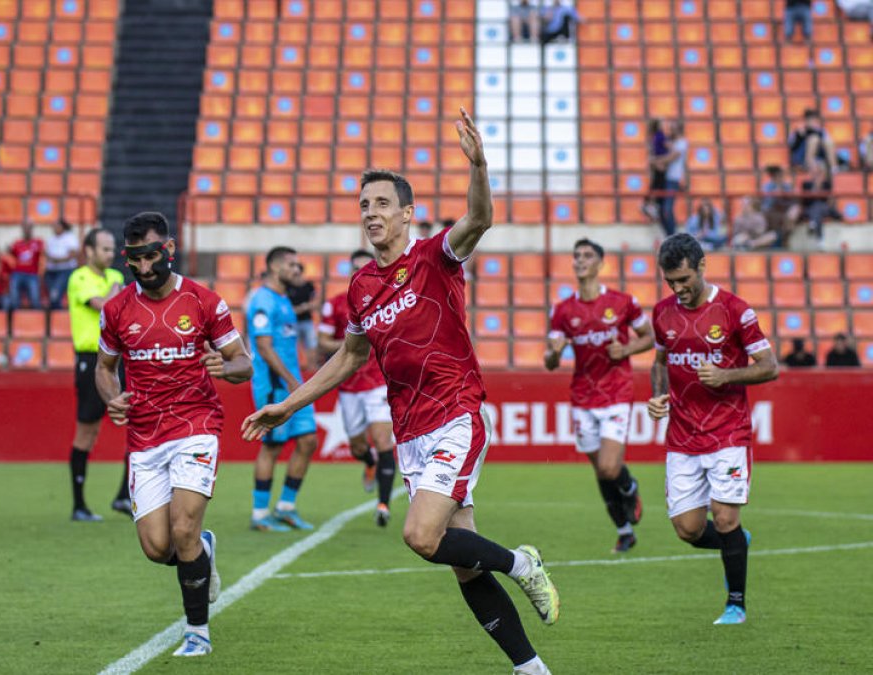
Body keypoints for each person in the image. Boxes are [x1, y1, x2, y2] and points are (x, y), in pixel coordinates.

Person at [243, 108, 558, 675]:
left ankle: (522, 562)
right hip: (410, 429)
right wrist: (288, 404)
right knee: (462, 560)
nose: (371, 214)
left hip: (455, 413)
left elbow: (479, 218)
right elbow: (351, 356)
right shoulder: (361, 287)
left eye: (382, 204)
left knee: (420, 535)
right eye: (364, 206)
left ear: (407, 214)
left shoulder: (435, 258)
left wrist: (478, 165)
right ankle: (530, 668)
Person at [96, 210, 252, 658]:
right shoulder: (117, 309)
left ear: (168, 249)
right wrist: (112, 397)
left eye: (150, 256)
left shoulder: (203, 301)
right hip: (144, 436)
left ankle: (197, 633)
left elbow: (243, 362)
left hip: (195, 424)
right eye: (134, 260)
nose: (143, 268)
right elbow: (104, 369)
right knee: (157, 547)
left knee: (182, 529)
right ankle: (202, 550)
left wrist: (228, 368)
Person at [647, 233, 778, 626]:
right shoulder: (662, 313)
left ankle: (735, 603)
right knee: (687, 530)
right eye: (671, 281)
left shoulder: (735, 310)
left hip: (727, 432)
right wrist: (658, 396)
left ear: (702, 266)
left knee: (724, 518)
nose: (679, 288)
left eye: (684, 279)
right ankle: (736, 542)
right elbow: (659, 361)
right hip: (682, 436)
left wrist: (726, 375)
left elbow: (769, 366)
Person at [544, 239, 654, 553]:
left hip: (617, 392)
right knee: (600, 471)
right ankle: (624, 530)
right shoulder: (563, 310)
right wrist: (553, 354)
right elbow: (550, 361)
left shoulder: (623, 303)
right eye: (576, 255)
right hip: (582, 397)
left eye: (587, 255)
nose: (580, 260)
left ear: (600, 263)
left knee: (608, 467)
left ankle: (630, 488)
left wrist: (628, 348)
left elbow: (649, 337)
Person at [317, 249, 398, 526]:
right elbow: (323, 341)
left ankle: (383, 504)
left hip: (377, 383)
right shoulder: (337, 304)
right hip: (349, 384)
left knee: (383, 440)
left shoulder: (389, 302)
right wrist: (353, 345)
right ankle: (369, 462)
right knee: (357, 446)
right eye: (357, 268)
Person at [246, 246, 320, 532]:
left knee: (308, 441)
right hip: (276, 385)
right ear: (275, 268)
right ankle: (259, 513)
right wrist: (290, 380)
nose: (296, 270)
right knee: (273, 446)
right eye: (291, 265)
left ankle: (286, 507)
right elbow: (263, 348)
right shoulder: (262, 301)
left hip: (294, 384)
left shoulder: (284, 299)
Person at [66, 228, 127, 520]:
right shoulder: (79, 277)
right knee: (87, 430)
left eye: (112, 248)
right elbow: (103, 307)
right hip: (90, 359)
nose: (111, 254)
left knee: (140, 421)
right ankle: (79, 505)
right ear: (89, 251)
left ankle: (124, 497)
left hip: (119, 358)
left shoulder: (115, 277)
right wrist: (115, 293)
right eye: (105, 249)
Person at [658, 120, 687, 236]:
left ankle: (672, 234)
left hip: (674, 178)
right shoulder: (674, 142)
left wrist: (656, 161)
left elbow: (672, 157)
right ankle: (670, 233)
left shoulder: (682, 143)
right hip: (668, 177)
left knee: (667, 208)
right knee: (663, 208)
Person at [286, 261, 320, 360]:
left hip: (307, 321)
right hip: (291, 322)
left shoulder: (308, 285)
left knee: (312, 347)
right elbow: (287, 309)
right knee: (291, 349)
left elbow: (316, 303)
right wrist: (303, 307)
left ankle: (311, 369)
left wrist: (305, 307)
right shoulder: (287, 287)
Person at [788, 109, 837, 176]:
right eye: (809, 119)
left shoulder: (821, 131)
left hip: (819, 156)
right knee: (814, 139)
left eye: (813, 119)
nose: (811, 121)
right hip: (802, 157)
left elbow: (826, 143)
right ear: (805, 120)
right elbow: (792, 146)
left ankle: (833, 167)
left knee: (828, 142)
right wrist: (799, 136)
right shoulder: (798, 131)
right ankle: (808, 164)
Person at [44, 219, 79, 309]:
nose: (54, 228)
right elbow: (47, 254)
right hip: (51, 271)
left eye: (56, 226)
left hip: (65, 270)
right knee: (52, 295)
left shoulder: (69, 237)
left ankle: (58, 315)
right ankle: (55, 315)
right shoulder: (51, 239)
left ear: (62, 227)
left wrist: (57, 260)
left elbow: (73, 254)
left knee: (56, 294)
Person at [8, 223, 44, 310]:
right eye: (25, 228)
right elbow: (12, 254)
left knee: (35, 298)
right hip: (18, 273)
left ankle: (37, 318)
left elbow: (43, 254)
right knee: (14, 297)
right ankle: (15, 317)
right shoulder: (17, 243)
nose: (27, 231)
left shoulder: (38, 243)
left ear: (32, 229)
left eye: (29, 228)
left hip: (32, 274)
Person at [760, 165, 801, 238]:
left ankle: (787, 232)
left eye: (781, 175)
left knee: (795, 208)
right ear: (774, 177)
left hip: (785, 213)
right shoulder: (767, 187)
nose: (780, 177)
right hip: (771, 212)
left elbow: (793, 201)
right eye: (778, 175)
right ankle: (783, 235)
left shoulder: (786, 186)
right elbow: (766, 205)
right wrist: (776, 193)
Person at [643, 118, 669, 222]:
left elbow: (652, 151)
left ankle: (651, 206)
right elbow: (662, 149)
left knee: (656, 185)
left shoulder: (652, 136)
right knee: (658, 185)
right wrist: (659, 161)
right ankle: (652, 206)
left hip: (657, 162)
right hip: (660, 162)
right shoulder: (660, 135)